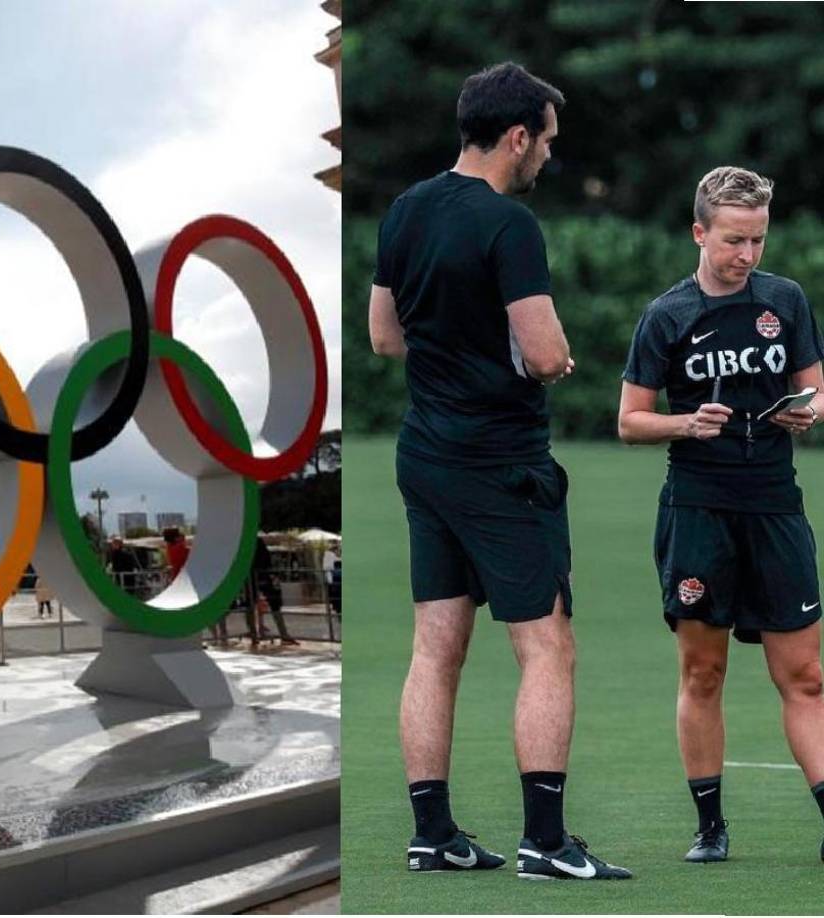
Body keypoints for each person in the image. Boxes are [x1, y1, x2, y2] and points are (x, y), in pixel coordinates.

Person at [369, 62, 629, 879]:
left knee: (433, 650)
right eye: (547, 142)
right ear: (517, 136)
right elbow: (546, 352)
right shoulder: (508, 224)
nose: (548, 157)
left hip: (426, 455)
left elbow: (383, 335)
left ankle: (433, 835)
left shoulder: (406, 210)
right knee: (546, 646)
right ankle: (546, 844)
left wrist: (458, 358)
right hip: (502, 465)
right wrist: (552, 364)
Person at [619, 166, 824, 864]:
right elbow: (628, 420)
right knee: (703, 674)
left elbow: (816, 390)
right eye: (734, 240)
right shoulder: (666, 315)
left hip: (774, 504)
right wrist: (683, 423)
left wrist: (808, 412)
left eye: (758, 240)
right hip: (699, 508)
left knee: (805, 676)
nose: (747, 255)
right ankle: (710, 826)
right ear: (699, 232)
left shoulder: (786, 301)